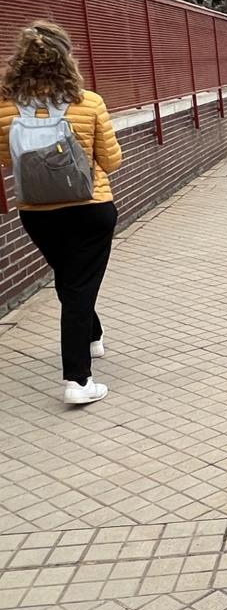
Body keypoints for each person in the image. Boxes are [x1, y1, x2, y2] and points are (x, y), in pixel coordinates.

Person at [0, 21, 122, 405]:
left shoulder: (5, 106)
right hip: (91, 208)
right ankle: (78, 380)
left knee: (71, 279)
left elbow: (8, 159)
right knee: (79, 285)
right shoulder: (88, 102)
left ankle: (92, 336)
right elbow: (112, 160)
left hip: (38, 211)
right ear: (66, 59)